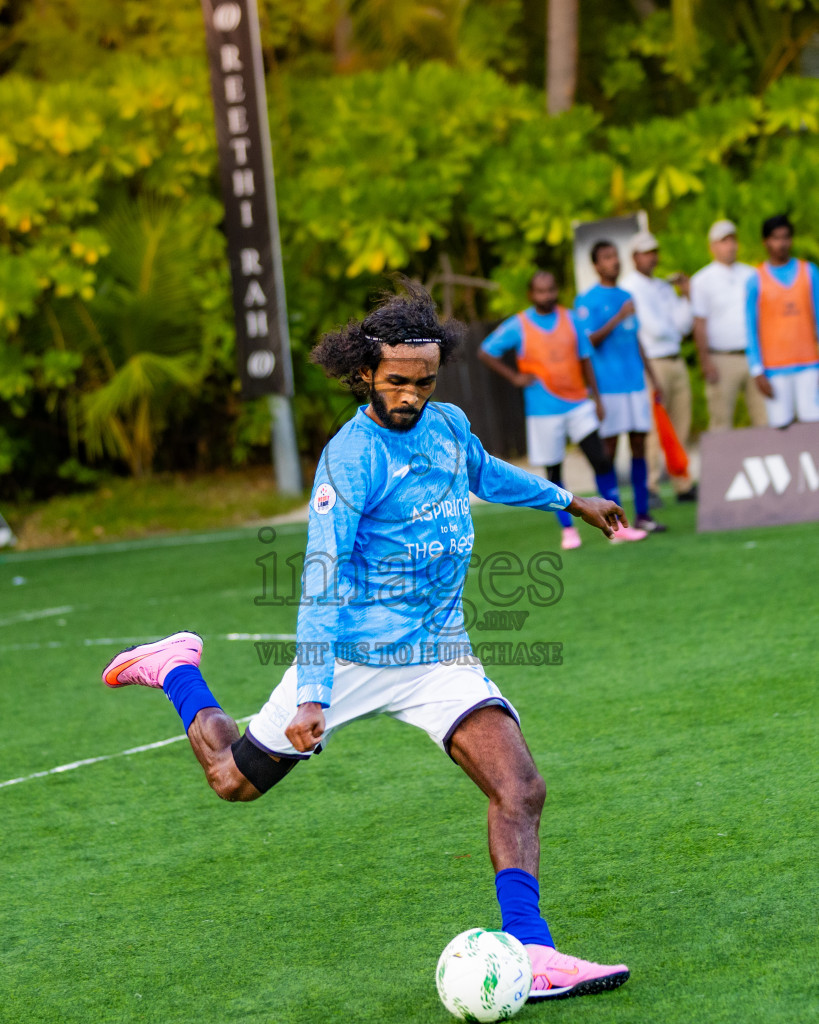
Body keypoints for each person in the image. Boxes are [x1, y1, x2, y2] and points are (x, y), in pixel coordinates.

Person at [102, 282, 630, 1002]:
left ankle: (532, 951)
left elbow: (484, 472)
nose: (410, 395)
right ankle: (174, 671)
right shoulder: (350, 458)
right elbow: (321, 578)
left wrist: (568, 500)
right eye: (397, 383)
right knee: (232, 779)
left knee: (521, 788)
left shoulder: (446, 423)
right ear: (364, 375)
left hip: (438, 655)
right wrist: (314, 692)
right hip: (348, 657)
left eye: (423, 381)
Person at [477, 270, 646, 550]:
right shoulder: (519, 324)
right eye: (541, 291)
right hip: (543, 409)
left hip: (579, 403)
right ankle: (567, 530)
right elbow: (486, 351)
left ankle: (616, 524)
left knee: (601, 460)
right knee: (553, 469)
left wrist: (598, 398)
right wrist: (515, 377)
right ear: (532, 295)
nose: (547, 296)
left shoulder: (571, 319)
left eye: (551, 290)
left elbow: (585, 358)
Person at [575, 240, 666, 533]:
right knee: (609, 449)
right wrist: (618, 317)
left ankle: (643, 514)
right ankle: (612, 517)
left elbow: (636, 338)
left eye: (615, 256)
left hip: (635, 383)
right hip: (609, 386)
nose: (613, 262)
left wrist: (652, 375)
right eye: (606, 258)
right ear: (596, 265)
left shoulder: (627, 295)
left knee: (639, 443)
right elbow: (589, 341)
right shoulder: (587, 300)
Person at [621, 231, 698, 505]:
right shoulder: (629, 286)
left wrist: (687, 296)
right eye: (645, 252)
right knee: (653, 426)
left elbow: (684, 325)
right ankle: (651, 486)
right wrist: (672, 330)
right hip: (651, 361)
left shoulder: (664, 287)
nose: (651, 257)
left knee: (681, 423)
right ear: (634, 257)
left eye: (654, 251)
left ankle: (682, 482)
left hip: (674, 357)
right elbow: (650, 328)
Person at [690, 220, 766, 432]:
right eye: (724, 241)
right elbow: (699, 324)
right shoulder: (702, 280)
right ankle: (724, 465)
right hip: (722, 358)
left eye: (733, 240)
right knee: (721, 420)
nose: (730, 246)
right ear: (712, 246)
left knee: (764, 417)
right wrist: (705, 362)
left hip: (754, 356)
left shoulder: (752, 274)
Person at [746, 214, 819, 428]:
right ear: (766, 242)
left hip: (809, 364)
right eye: (776, 238)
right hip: (775, 368)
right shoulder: (756, 279)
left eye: (786, 237)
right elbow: (751, 328)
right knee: (780, 428)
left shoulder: (809, 272)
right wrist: (757, 369)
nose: (782, 243)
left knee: (813, 424)